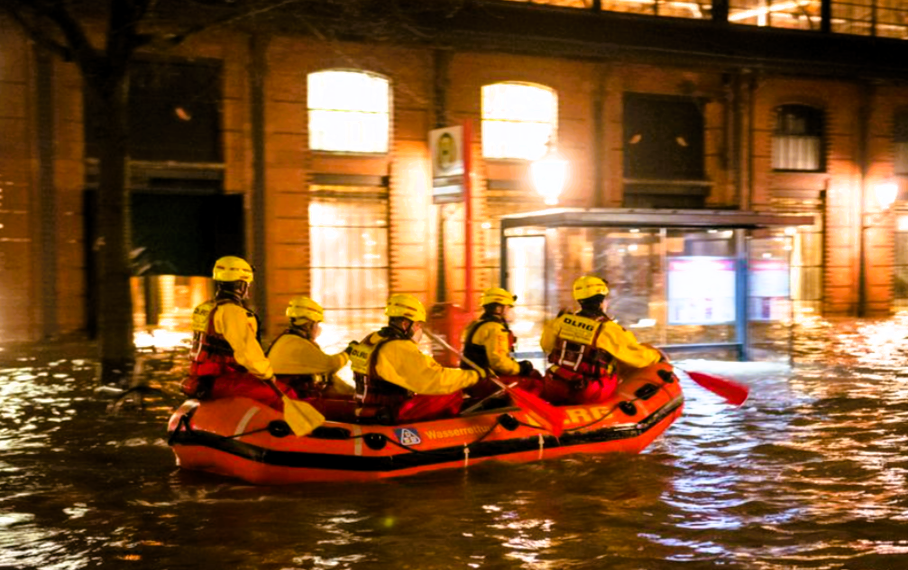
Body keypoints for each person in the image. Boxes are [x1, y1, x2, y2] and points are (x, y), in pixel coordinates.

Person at [349, 294, 485, 424]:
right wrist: (473, 375)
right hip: (391, 413)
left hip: (367, 410)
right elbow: (434, 379)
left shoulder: (371, 339)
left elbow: (420, 366)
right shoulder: (398, 347)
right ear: (404, 323)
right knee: (450, 393)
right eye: (417, 324)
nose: (419, 328)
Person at [182, 255, 295, 410]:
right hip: (221, 380)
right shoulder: (233, 312)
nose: (247, 288)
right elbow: (247, 352)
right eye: (247, 284)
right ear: (241, 285)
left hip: (200, 379)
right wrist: (269, 376)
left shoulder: (204, 308)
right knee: (287, 394)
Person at [539, 275, 665, 405]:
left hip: (553, 385)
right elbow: (639, 358)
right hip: (586, 392)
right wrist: (657, 356)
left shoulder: (560, 322)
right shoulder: (608, 329)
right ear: (602, 301)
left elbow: (546, 346)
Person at [266, 296, 355, 417]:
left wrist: (353, 392)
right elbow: (331, 365)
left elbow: (328, 376)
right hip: (300, 401)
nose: (318, 329)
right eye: (317, 324)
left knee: (352, 399)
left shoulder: (288, 340)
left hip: (297, 398)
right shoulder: (297, 344)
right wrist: (348, 352)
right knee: (354, 409)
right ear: (309, 325)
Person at [459, 287, 543, 402]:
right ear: (499, 308)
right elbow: (498, 362)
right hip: (484, 381)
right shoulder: (495, 329)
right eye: (508, 307)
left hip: (473, 378)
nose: (510, 311)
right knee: (535, 381)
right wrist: (520, 368)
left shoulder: (476, 324)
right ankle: (528, 415)